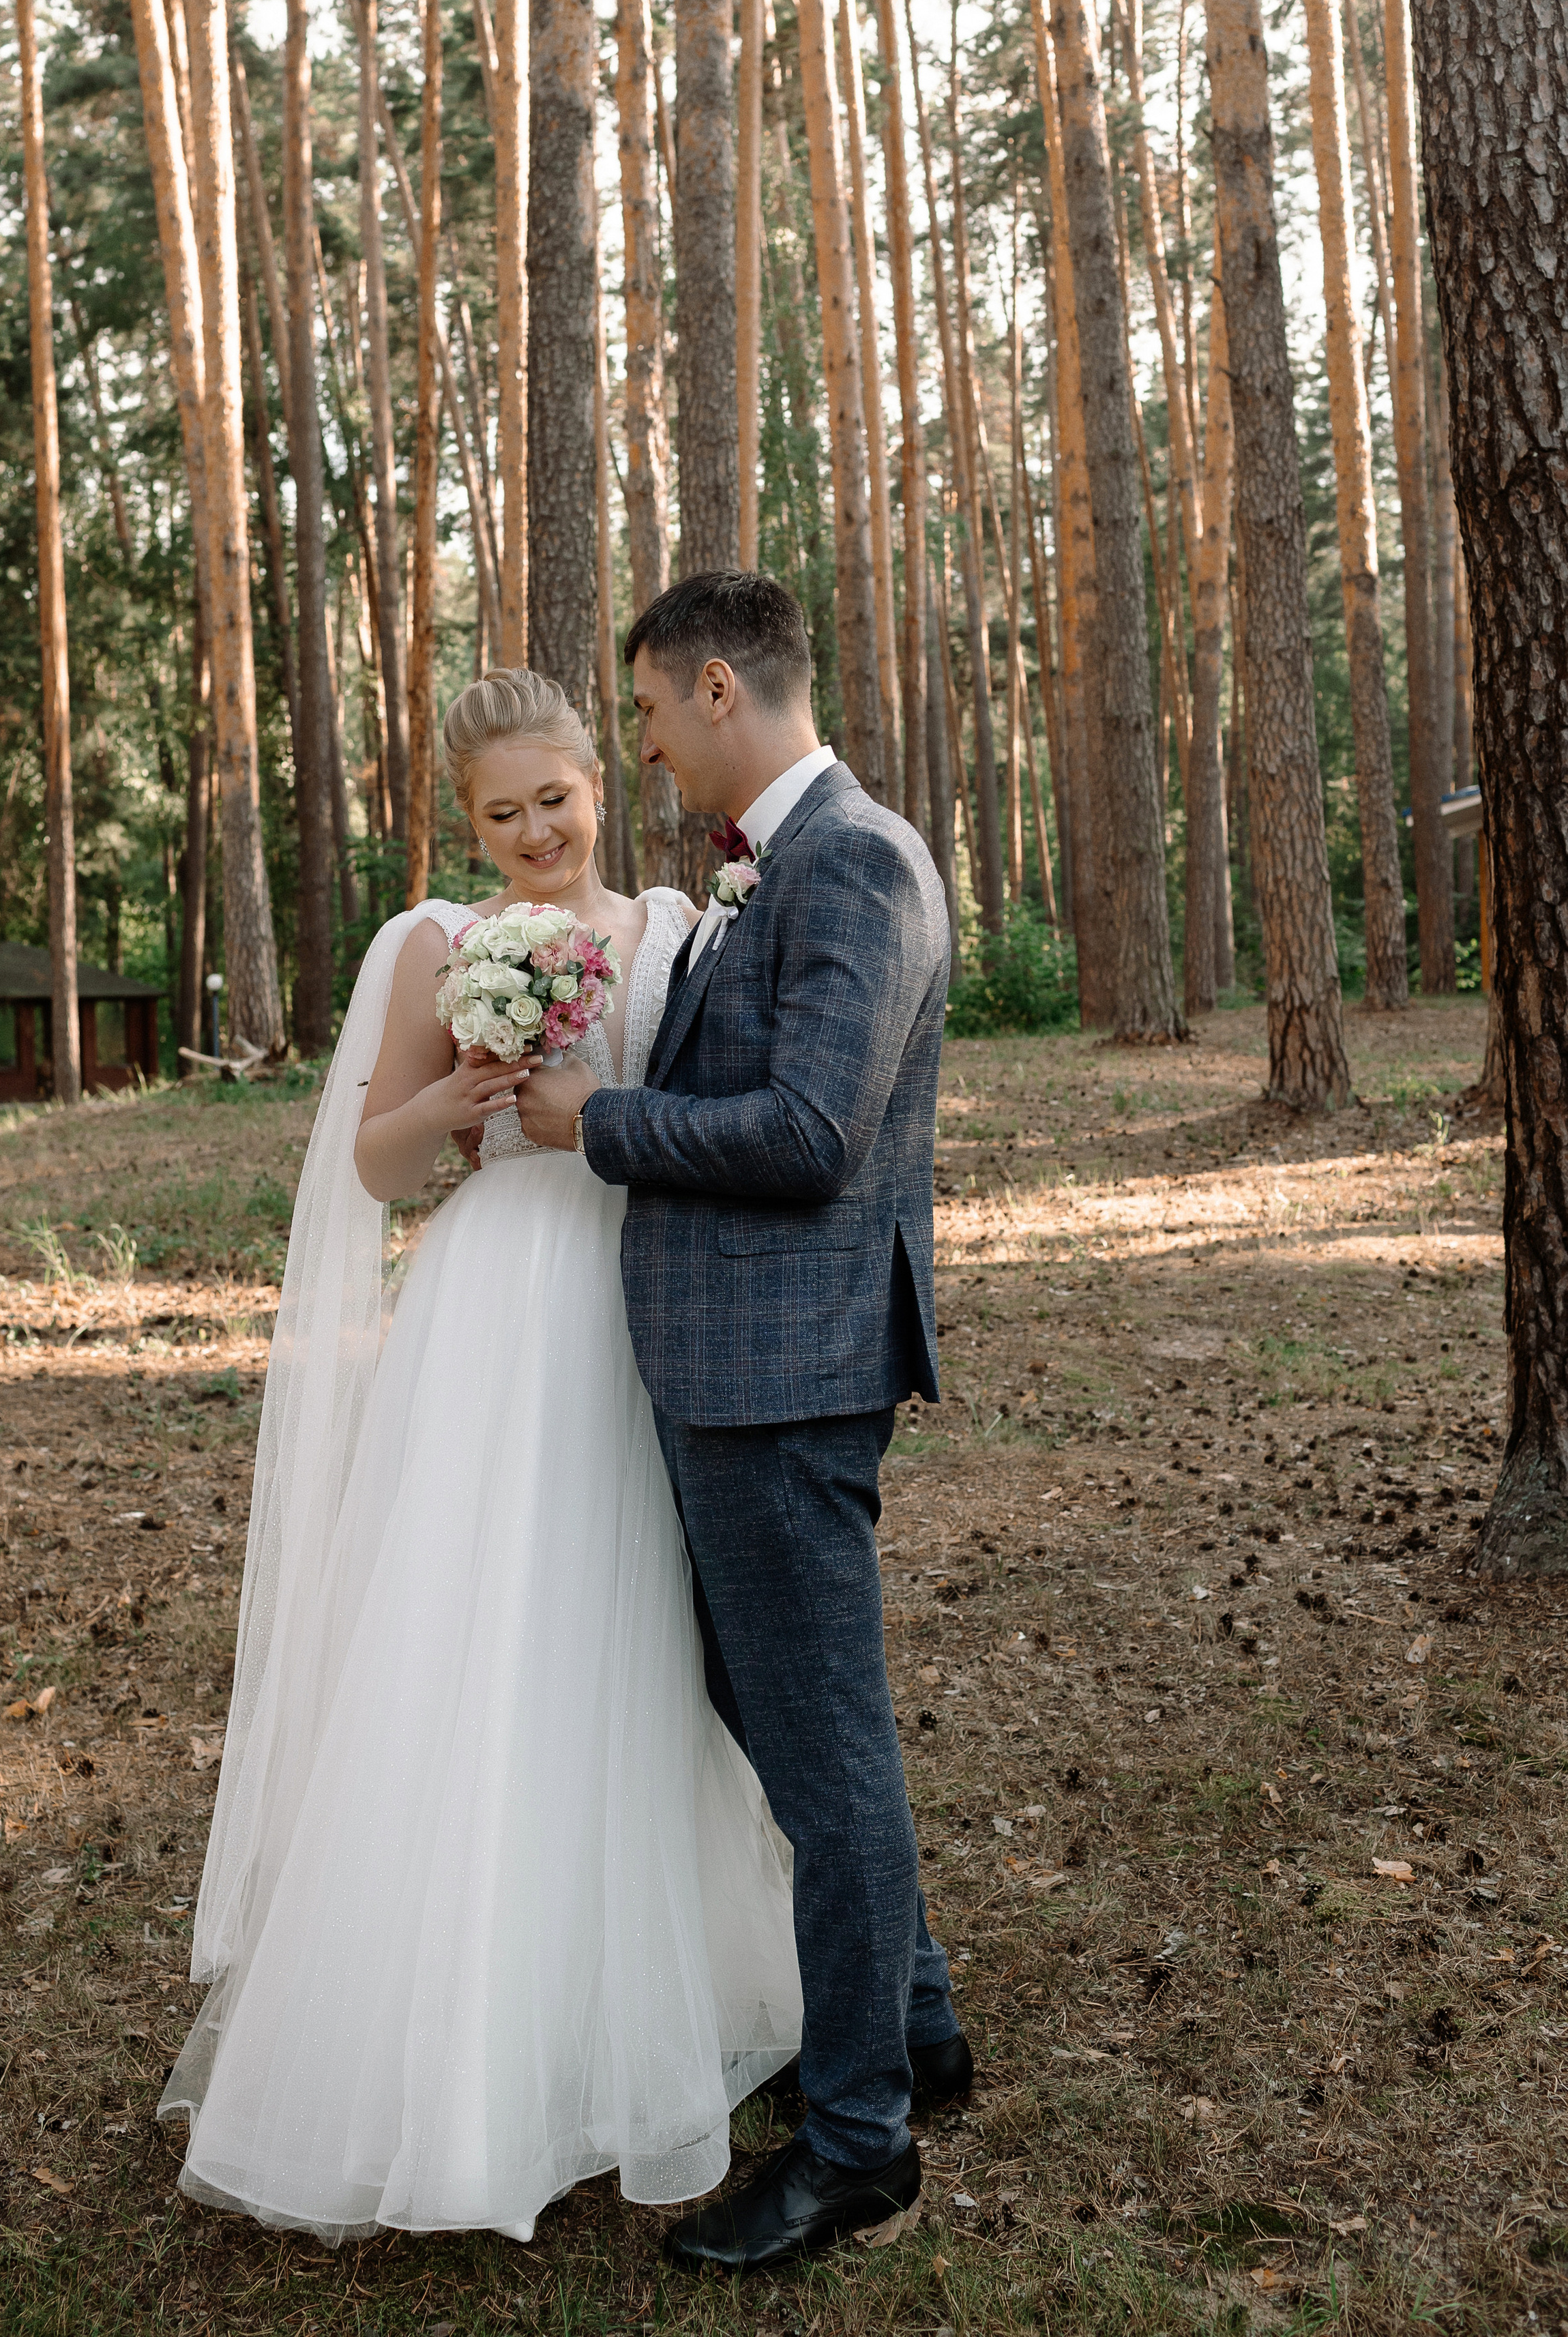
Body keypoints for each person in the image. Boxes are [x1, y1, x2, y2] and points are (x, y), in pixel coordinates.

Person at [159, 666, 801, 2244]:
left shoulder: (673, 929)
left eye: (555, 799)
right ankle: (441, 2071)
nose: (532, 833)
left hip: (630, 1304)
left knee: (618, 1645)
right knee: (464, 1648)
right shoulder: (434, 946)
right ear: (465, 821)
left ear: (599, 775)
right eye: (500, 814)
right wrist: (457, 1091)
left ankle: (608, 2017)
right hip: (484, 1314)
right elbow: (373, 1166)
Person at [516, 570, 973, 2272]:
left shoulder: (852, 858)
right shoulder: (771, 866)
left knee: (828, 1761)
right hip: (737, 1373)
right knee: (786, 1729)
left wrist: (599, 1122)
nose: (640, 745)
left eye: (645, 711)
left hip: (784, 1379)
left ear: (719, 687)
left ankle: (856, 2143)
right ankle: (913, 2029)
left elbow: (803, 1135)